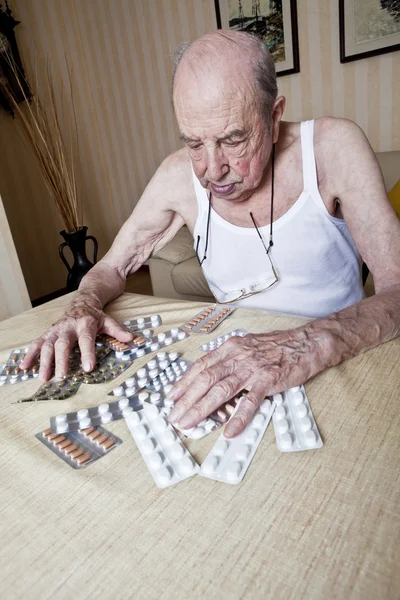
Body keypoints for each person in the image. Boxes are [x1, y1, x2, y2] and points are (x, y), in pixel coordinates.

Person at [21, 31, 400, 438]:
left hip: (341, 362)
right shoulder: (176, 176)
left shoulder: (333, 147)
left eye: (233, 139)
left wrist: (304, 344)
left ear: (273, 117)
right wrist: (84, 304)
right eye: (194, 143)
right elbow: (112, 266)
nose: (211, 169)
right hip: (235, 375)